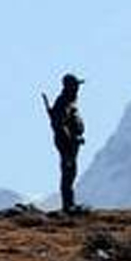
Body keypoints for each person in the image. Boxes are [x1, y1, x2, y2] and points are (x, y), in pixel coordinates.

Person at [43, 73, 87, 214]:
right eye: (75, 86)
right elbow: (60, 126)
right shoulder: (64, 102)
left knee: (71, 173)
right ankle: (68, 206)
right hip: (67, 145)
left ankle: (70, 204)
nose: (78, 89)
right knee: (68, 173)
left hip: (71, 144)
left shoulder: (68, 101)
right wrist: (69, 143)